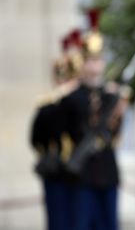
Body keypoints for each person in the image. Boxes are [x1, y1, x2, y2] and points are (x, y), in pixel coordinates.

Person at [58, 8, 126, 230]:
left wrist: (117, 113)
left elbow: (116, 133)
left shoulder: (112, 95)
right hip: (82, 173)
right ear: (82, 62)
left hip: (107, 171)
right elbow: (65, 133)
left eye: (98, 60)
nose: (95, 66)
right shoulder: (71, 98)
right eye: (90, 61)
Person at [30, 32, 79, 230]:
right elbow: (36, 138)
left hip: (81, 171)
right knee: (58, 221)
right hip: (57, 171)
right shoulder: (49, 105)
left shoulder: (78, 101)